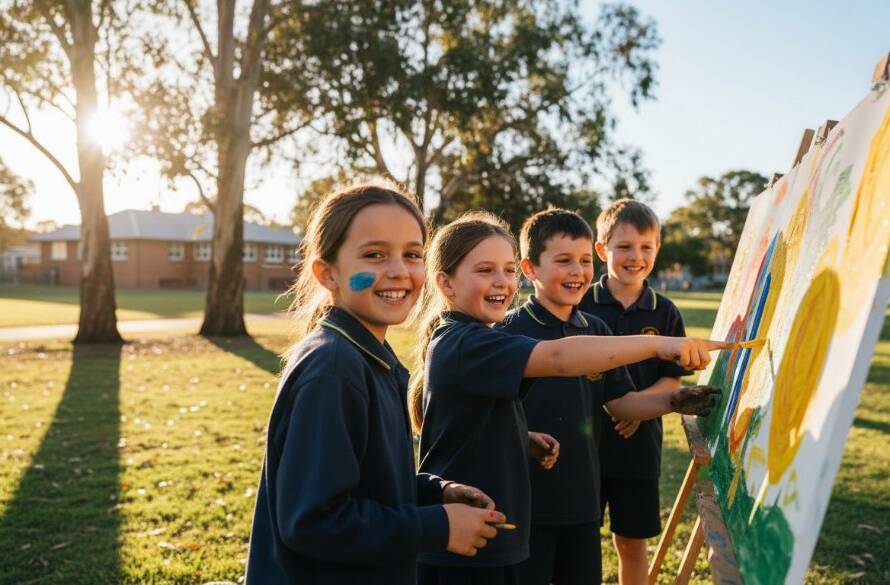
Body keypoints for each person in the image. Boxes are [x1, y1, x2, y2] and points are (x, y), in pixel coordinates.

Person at [408, 211, 725, 585]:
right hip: (476, 527)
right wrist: (659, 345)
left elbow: (478, 421)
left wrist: (520, 440)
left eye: (507, 270)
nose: (501, 281)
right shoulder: (473, 340)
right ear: (445, 283)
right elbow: (558, 357)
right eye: (485, 270)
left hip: (528, 511)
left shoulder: (475, 336)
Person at [245, 184, 505, 585]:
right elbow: (314, 521)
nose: (399, 270)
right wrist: (436, 527)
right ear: (327, 272)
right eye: (374, 255)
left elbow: (366, 483)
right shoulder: (333, 369)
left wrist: (436, 493)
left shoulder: (370, 357)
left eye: (412, 254)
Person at [579, 198, 693, 585]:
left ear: (657, 249)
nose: (636, 256)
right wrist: (617, 408)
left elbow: (671, 379)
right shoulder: (580, 304)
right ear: (602, 250)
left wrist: (637, 410)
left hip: (638, 446)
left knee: (631, 542)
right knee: (576, 542)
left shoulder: (665, 311)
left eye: (646, 247)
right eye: (624, 246)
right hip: (584, 444)